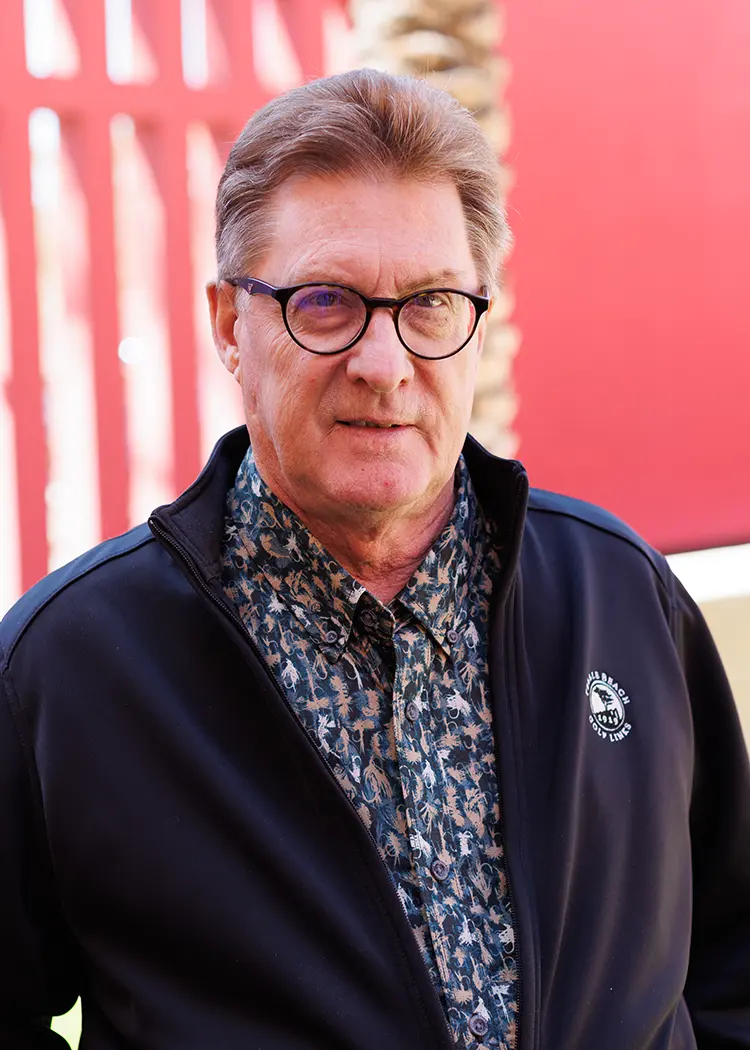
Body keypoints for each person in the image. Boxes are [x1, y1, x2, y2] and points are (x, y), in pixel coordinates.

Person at [1, 69, 748, 1050]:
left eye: (430, 303)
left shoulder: (621, 597)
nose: (385, 366)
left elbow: (733, 955)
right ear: (230, 325)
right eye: (325, 302)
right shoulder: (70, 667)